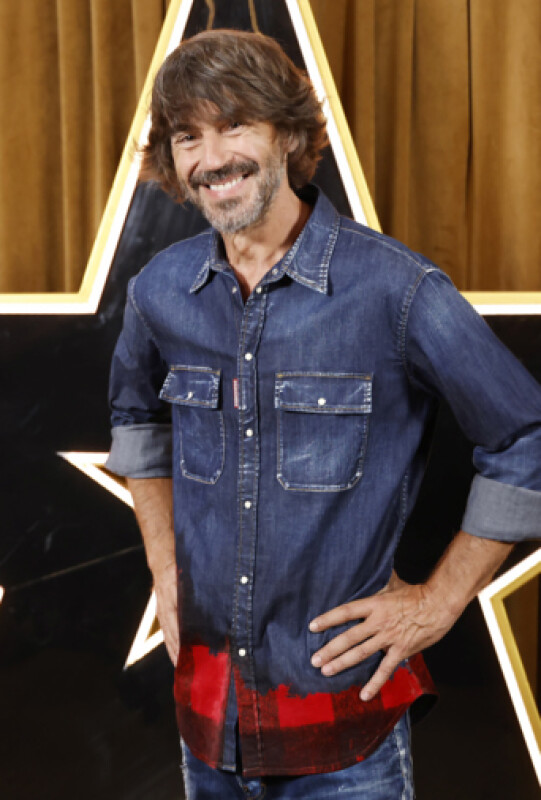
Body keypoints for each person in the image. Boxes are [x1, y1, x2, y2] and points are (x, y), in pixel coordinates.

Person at [106, 29, 541, 799]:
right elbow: (135, 419)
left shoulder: (397, 290)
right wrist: (165, 568)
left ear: (288, 133)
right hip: (207, 721)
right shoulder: (159, 291)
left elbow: (526, 437)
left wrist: (439, 601)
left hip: (346, 734)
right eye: (187, 136)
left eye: (233, 124)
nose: (211, 158)